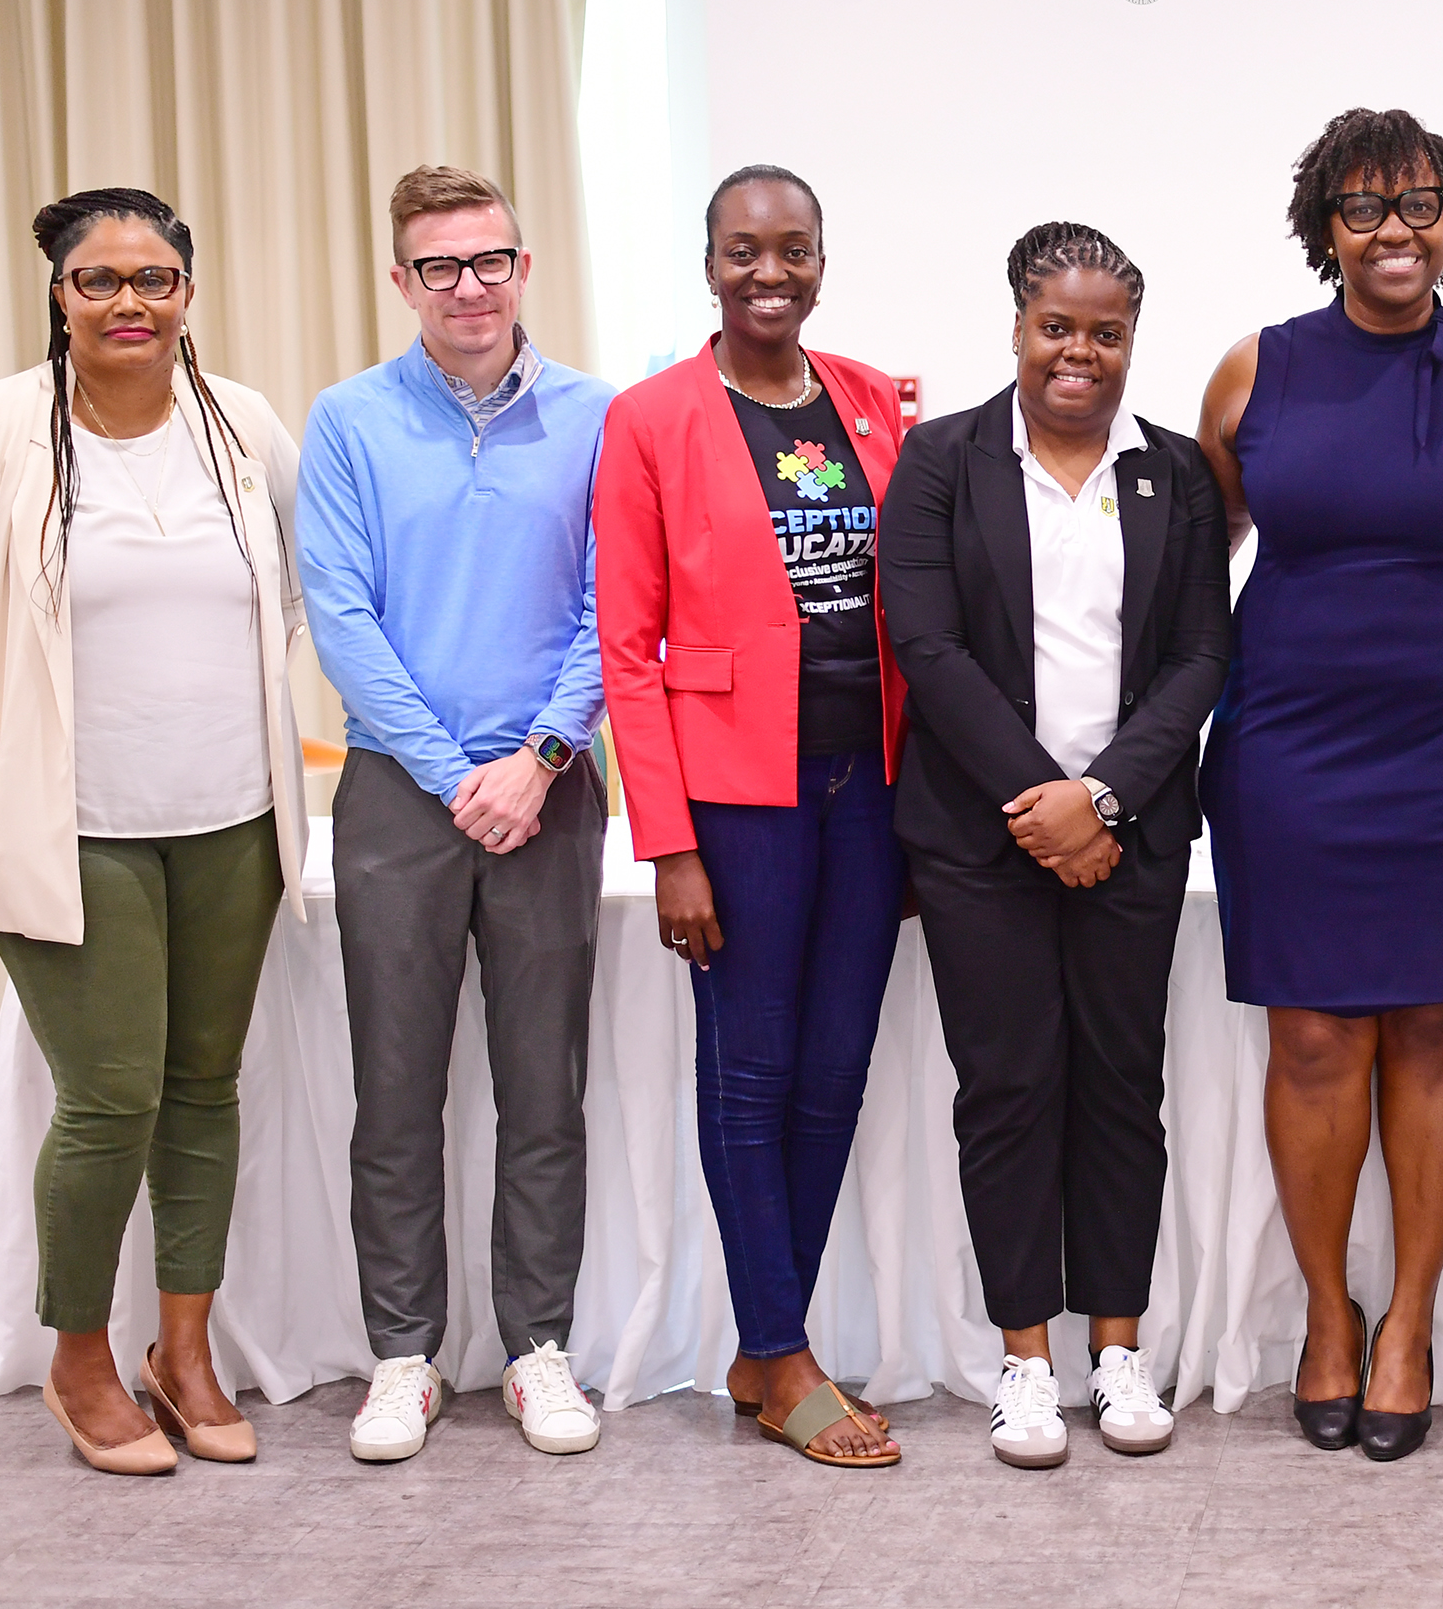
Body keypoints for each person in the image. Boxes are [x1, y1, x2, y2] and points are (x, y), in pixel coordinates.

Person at [0, 187, 306, 1474]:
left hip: (232, 813)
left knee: (202, 1090)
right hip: (70, 829)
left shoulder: (243, 425)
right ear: (59, 294)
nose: (131, 300)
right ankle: (78, 1356)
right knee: (111, 1094)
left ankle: (182, 1349)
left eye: (156, 277)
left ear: (190, 290)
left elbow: (294, 598)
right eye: (100, 279)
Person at [1198, 108, 1443, 1461]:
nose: (1394, 232)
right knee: (1309, 1038)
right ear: (1325, 229)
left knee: (1434, 1031)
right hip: (1292, 743)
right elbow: (1200, 562)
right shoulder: (1258, 371)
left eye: (1417, 204)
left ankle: (1410, 1322)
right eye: (1362, 209)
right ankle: (1325, 1314)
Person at [880, 222, 1230, 1469]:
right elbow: (927, 646)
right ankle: (1025, 1361)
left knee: (1122, 1089)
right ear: (1018, 326)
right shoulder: (940, 463)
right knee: (1013, 1088)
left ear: (1132, 338)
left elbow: (1199, 652)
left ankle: (1118, 1346)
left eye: (1107, 330)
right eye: (1058, 326)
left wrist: (1110, 801)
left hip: (1126, 838)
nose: (1081, 351)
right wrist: (1045, 799)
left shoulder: (1177, 474)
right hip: (982, 838)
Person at [297, 165, 614, 1463]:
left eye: (490, 260)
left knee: (545, 1092)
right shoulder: (349, 421)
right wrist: (451, 772)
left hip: (550, 790)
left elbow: (617, 604)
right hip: (397, 796)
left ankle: (538, 1349)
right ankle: (404, 1356)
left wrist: (537, 760)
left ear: (524, 268)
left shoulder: (601, 417)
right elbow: (341, 615)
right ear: (402, 281)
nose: (469, 286)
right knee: (396, 1094)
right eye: (441, 266)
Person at [595, 164, 908, 1467]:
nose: (767, 272)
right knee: (753, 1069)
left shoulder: (874, 401)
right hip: (736, 801)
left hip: (870, 790)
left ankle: (764, 1347)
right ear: (709, 263)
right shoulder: (652, 417)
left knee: (836, 1069)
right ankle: (781, 1355)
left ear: (823, 258)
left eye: (792, 250)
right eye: (742, 251)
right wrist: (669, 843)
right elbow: (627, 646)